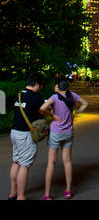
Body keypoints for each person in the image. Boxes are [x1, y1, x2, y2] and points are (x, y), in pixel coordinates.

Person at [9, 73, 58, 201]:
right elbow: (44, 109)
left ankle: (13, 193)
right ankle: (21, 197)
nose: (40, 87)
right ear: (36, 83)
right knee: (24, 166)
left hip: (14, 132)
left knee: (16, 162)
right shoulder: (35, 96)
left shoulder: (19, 94)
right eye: (40, 85)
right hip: (25, 134)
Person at [40, 77, 88, 200]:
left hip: (56, 133)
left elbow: (42, 108)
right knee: (67, 161)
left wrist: (52, 115)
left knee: (51, 163)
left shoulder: (54, 97)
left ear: (57, 86)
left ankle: (47, 194)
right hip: (68, 132)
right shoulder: (73, 95)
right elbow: (85, 103)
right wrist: (78, 112)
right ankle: (68, 191)